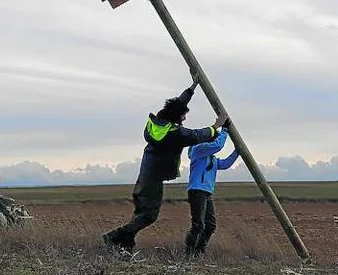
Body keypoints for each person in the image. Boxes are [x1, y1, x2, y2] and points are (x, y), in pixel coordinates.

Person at [102, 79, 228, 253]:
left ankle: (125, 245)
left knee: (142, 213)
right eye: (183, 115)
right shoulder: (175, 134)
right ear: (176, 117)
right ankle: (113, 237)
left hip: (146, 175)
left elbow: (176, 105)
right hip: (153, 178)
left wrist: (192, 87)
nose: (184, 118)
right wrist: (217, 126)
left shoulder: (158, 122)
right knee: (149, 215)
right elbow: (198, 135)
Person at [184, 122, 239, 257]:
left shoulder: (211, 158)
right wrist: (224, 131)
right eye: (212, 137)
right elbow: (218, 146)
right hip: (197, 191)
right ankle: (189, 254)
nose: (213, 139)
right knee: (198, 225)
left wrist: (237, 151)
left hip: (207, 192)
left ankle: (198, 252)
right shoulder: (198, 150)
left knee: (210, 225)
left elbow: (225, 164)